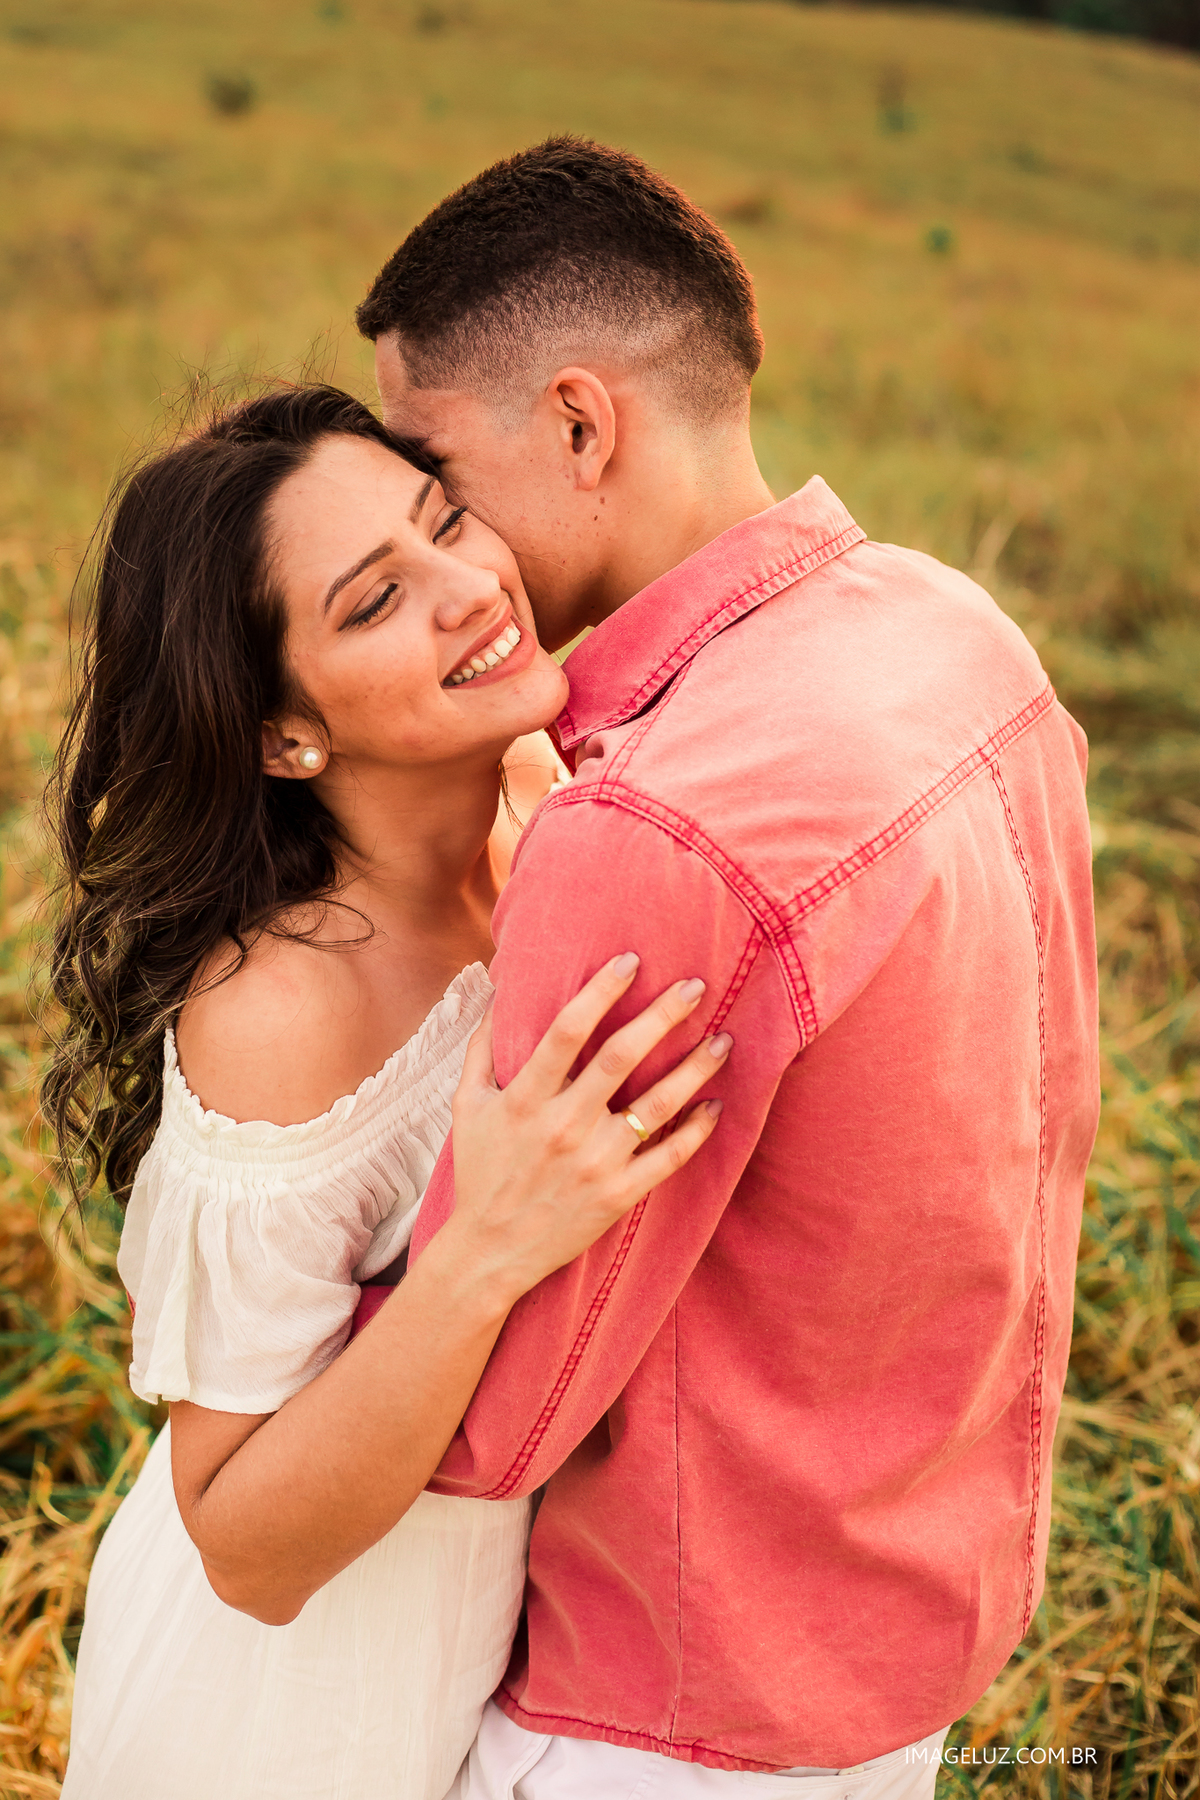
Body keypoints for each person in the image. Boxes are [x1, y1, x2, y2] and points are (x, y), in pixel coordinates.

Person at [351, 137, 1102, 1796]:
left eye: (433, 472)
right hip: (913, 1619)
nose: (439, 548)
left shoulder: (655, 828)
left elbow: (483, 1429)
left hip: (662, 1704)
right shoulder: (959, 630)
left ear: (577, 422)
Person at [48, 384, 729, 1800]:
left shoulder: (554, 822)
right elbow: (241, 1546)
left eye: (445, 522)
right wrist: (483, 1251)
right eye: (372, 602)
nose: (470, 588)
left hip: (494, 1655)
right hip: (274, 1723)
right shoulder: (282, 1007)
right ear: (283, 736)